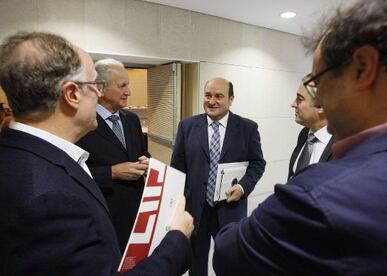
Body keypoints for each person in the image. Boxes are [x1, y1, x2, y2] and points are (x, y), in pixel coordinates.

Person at [213, 0, 387, 274]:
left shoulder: (320, 194)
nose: (319, 99)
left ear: (363, 68)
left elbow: (229, 254)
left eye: (318, 82)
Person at [0, 31, 193, 275]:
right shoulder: (50, 199)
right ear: (72, 94)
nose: (99, 94)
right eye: (94, 85)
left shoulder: (16, 154)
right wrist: (177, 240)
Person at [171, 77, 266, 276]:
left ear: (231, 99)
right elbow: (177, 169)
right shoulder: (187, 126)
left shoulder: (247, 128)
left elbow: (258, 164)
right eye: (208, 95)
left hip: (230, 208)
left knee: (231, 262)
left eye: (219, 96)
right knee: (195, 262)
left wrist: (242, 188)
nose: (212, 101)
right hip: (195, 209)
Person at [77, 58, 148, 253]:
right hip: (105, 214)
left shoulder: (132, 119)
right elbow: (73, 172)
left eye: (129, 85)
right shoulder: (82, 123)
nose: (129, 92)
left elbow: (142, 152)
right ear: (100, 88)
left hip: (138, 212)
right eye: (122, 86)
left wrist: (146, 162)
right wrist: (112, 173)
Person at [288, 83, 333, 179]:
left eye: (299, 99)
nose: (293, 104)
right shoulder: (305, 134)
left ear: (321, 106)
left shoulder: (345, 146)